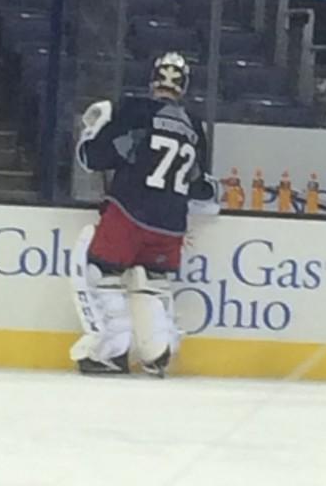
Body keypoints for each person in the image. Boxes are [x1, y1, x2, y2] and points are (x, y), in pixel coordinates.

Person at [70, 52, 218, 378]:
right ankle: (158, 348)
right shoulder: (194, 126)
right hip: (171, 225)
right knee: (152, 283)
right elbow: (199, 186)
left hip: (129, 212)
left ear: (153, 79)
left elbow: (94, 158)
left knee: (100, 272)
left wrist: (92, 129)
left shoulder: (135, 111)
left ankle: (111, 348)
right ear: (184, 86)